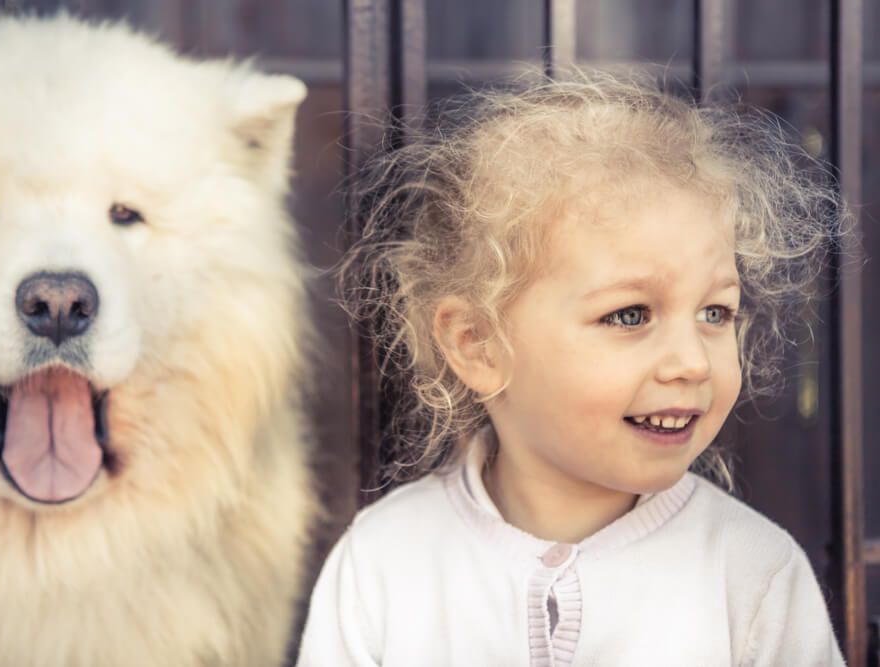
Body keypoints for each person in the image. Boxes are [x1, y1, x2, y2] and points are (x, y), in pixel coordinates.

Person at [298, 70, 847, 666]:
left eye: (715, 311)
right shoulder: (383, 563)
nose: (692, 362)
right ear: (478, 344)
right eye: (630, 314)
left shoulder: (754, 575)